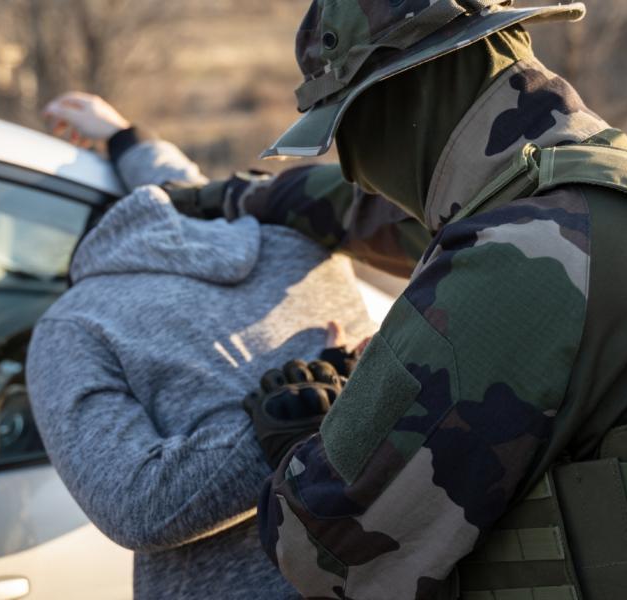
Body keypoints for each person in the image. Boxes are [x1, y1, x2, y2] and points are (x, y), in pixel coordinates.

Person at [178, 2, 627, 599]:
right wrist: (229, 198)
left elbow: (325, 553)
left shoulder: (520, 259)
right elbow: (380, 213)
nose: (356, 162)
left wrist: (300, 436)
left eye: (345, 128)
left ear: (394, 101)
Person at [25, 92, 379, 599]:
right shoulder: (291, 239)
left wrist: (281, 431)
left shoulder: (74, 326)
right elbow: (192, 198)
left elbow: (137, 508)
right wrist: (129, 140)